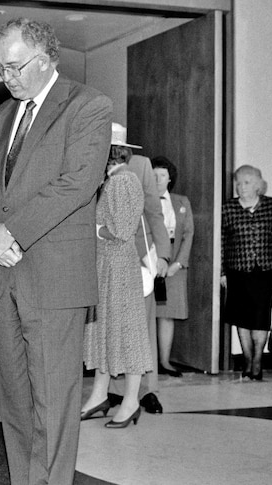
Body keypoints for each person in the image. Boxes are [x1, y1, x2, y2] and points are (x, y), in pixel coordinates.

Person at [0, 18, 112, 484]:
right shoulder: (4, 115)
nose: (6, 77)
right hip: (5, 276)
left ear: (46, 60)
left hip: (53, 279)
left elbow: (77, 183)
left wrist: (8, 233)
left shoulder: (89, 106)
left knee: (54, 403)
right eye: (1, 67)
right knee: (15, 402)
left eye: (14, 66)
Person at [81, 137, 151, 428]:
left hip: (119, 268)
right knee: (105, 330)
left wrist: (92, 231)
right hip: (108, 267)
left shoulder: (123, 181)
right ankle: (99, 394)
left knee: (126, 331)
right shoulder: (115, 180)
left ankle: (131, 400)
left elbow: (121, 230)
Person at [106, 136, 171, 414]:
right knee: (110, 327)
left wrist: (163, 255)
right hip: (104, 259)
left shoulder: (141, 165)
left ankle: (147, 390)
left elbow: (153, 212)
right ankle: (113, 390)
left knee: (142, 327)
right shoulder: (86, 161)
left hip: (139, 258)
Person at [221, 165, 272, 380]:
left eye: (247, 182)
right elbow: (221, 242)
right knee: (241, 317)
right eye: (238, 183)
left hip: (265, 271)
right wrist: (222, 272)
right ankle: (248, 359)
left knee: (260, 317)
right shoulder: (227, 208)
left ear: (258, 184)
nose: (241, 187)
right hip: (237, 271)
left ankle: (258, 361)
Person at [152, 156, 194, 377]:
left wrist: (177, 264)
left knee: (168, 314)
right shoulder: (143, 199)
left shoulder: (181, 202)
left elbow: (188, 234)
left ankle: (165, 362)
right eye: (154, 175)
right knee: (147, 313)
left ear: (170, 179)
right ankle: (145, 364)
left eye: (162, 176)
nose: (158, 179)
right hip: (150, 261)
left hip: (174, 263)